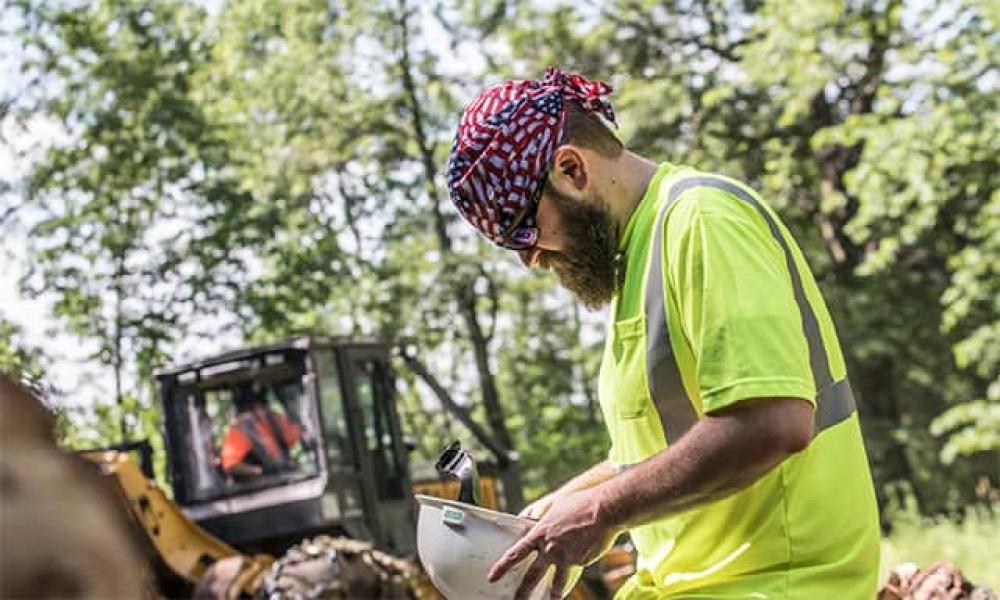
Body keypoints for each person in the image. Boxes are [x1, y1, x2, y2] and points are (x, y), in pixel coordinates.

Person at [446, 68, 880, 599]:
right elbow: (667, 450)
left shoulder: (701, 220)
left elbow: (773, 420)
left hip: (775, 586)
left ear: (571, 169)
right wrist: (564, 505)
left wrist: (603, 511)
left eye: (522, 229)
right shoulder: (639, 258)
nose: (530, 258)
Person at [220, 383, 301, 478]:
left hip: (283, 477)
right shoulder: (238, 432)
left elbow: (294, 434)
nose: (266, 411)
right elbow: (231, 466)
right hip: (259, 485)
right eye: (260, 407)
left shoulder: (273, 421)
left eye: (264, 406)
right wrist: (260, 471)